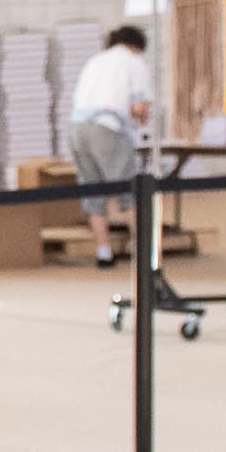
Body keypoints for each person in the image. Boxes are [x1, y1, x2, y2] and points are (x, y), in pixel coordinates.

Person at [66, 23, 155, 268]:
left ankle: (103, 251)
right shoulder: (134, 62)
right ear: (136, 46)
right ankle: (145, 252)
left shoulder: (96, 61)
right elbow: (139, 107)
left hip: (77, 128)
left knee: (93, 191)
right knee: (128, 191)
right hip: (107, 128)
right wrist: (143, 120)